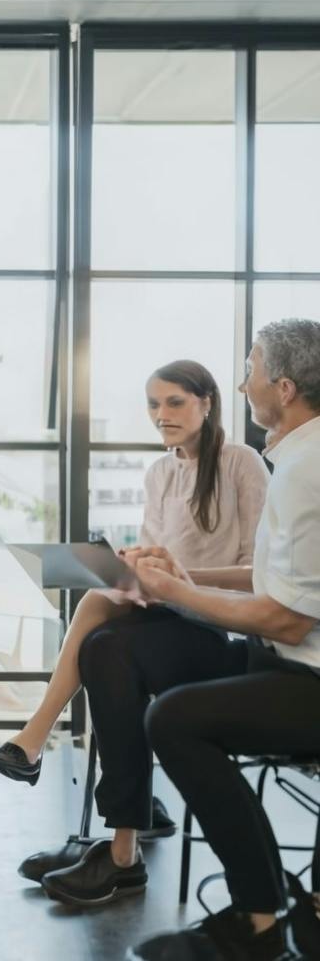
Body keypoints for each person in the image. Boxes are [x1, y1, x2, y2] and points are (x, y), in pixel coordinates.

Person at [0, 360, 268, 804]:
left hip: (216, 624)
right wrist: (135, 567)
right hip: (165, 614)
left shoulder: (241, 463)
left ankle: (38, 740)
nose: (161, 415)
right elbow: (157, 556)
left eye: (175, 402)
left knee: (99, 633)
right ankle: (122, 809)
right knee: (100, 627)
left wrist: (182, 579)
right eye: (153, 405)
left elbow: (260, 576)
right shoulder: (159, 473)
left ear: (207, 403)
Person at [126, 319, 320, 960]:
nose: (244, 384)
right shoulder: (296, 460)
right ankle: (121, 839)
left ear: (283, 388)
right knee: (119, 645)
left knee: (174, 719)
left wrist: (178, 592)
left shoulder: (300, 472)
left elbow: (288, 620)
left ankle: (260, 919)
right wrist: (182, 575)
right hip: (281, 659)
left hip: (305, 672)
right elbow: (275, 581)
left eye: (250, 371)